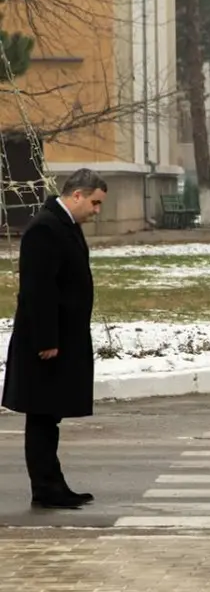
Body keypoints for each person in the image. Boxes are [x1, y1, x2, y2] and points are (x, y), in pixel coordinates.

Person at [2, 168, 108, 509]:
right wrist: (47, 339)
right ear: (76, 195)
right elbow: (38, 289)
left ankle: (53, 484)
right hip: (46, 342)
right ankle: (46, 488)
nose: (97, 210)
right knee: (42, 415)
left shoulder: (64, 225)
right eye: (94, 203)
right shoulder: (45, 229)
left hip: (61, 338)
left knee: (49, 415)